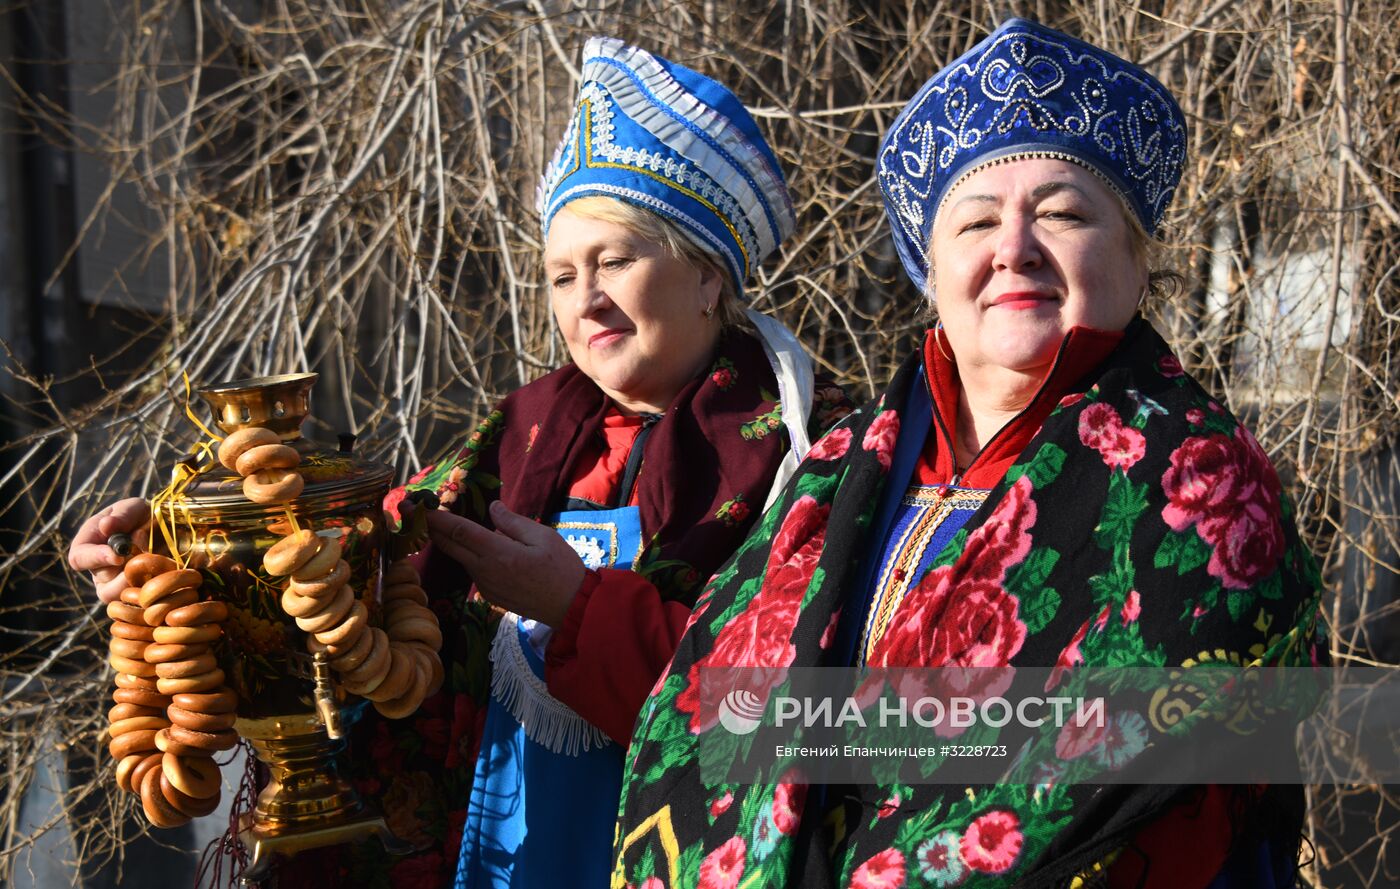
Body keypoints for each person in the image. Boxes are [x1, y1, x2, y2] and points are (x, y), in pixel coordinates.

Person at [68, 37, 851, 889]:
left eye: (616, 260)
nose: (585, 299)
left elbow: (818, 726)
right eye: (560, 275)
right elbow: (349, 595)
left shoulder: (814, 455)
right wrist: (179, 559)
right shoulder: (514, 439)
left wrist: (576, 609)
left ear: (707, 276)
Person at [613, 18, 1326, 889]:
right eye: (976, 221)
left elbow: (1150, 790)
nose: (1013, 247)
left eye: (1063, 212)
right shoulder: (838, 467)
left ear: (1139, 259)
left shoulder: (1205, 481)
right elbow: (700, 715)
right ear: (933, 274)